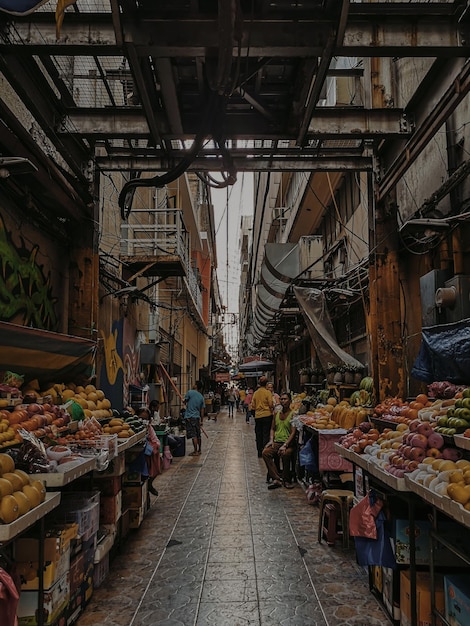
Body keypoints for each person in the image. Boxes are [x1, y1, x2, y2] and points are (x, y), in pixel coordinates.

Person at [263, 392, 297, 490]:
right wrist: (271, 440)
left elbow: (293, 432)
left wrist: (285, 445)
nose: (283, 401)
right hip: (277, 442)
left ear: (290, 401)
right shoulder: (276, 414)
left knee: (285, 454)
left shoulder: (293, 415)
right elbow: (272, 428)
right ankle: (276, 478)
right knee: (265, 453)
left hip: (288, 444)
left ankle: (286, 480)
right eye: (281, 399)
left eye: (285, 399)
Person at [137, 407, 160, 496]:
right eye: (141, 418)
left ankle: (149, 484)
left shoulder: (149, 428)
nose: (143, 421)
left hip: (148, 453)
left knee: (156, 459)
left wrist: (152, 446)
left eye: (145, 419)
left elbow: (156, 440)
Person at [250, 376, 274, 457]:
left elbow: (252, 406)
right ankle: (265, 451)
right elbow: (271, 404)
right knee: (266, 434)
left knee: (258, 434)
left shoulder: (256, 393)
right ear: (266, 384)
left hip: (258, 416)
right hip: (267, 415)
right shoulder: (268, 393)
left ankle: (259, 452)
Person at [183, 380, 205, 455]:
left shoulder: (190, 392)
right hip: (197, 417)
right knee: (198, 434)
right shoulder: (201, 397)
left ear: (196, 386)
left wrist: (184, 402)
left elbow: (185, 401)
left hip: (190, 417)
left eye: (194, 384)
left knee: (193, 435)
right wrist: (201, 420)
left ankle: (195, 451)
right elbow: (202, 410)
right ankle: (199, 450)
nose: (193, 385)